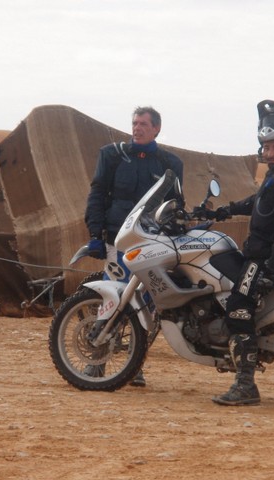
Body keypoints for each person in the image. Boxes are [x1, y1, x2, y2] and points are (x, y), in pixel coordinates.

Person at [197, 99, 274, 406]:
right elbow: (256, 202)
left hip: (265, 259)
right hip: (259, 256)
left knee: (238, 306)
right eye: (266, 147)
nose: (270, 153)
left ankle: (245, 384)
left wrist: (269, 271)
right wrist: (223, 211)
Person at [84, 106, 184, 387]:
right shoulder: (113, 155)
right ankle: (98, 362)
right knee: (112, 295)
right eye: (135, 123)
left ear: (156, 129)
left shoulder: (170, 163)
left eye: (143, 124)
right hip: (117, 239)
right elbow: (97, 194)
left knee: (146, 303)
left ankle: (134, 364)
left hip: (151, 242)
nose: (137, 128)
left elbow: (176, 205)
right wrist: (95, 233)